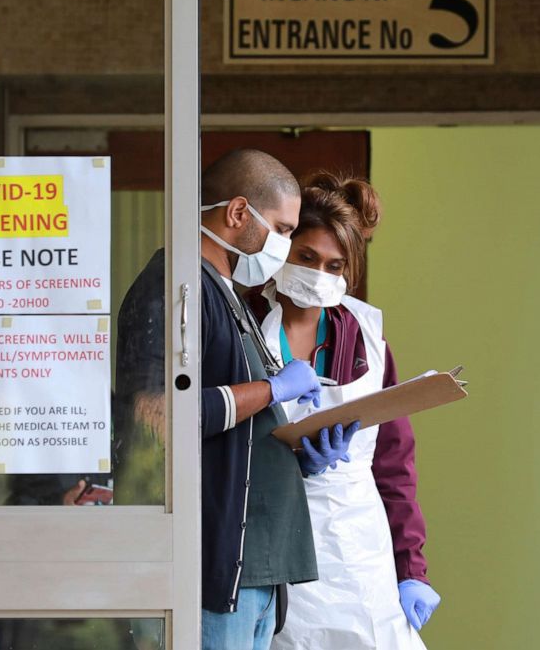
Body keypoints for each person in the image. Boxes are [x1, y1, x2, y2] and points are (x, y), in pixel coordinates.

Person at [114, 149, 360, 650]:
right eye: (284, 230)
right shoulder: (174, 288)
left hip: (256, 573)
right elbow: (157, 415)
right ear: (237, 213)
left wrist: (296, 456)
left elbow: (230, 432)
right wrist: (274, 389)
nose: (285, 244)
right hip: (212, 575)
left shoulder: (224, 293)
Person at [246, 172, 441, 649]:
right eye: (306, 257)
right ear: (281, 250)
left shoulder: (368, 342)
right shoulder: (241, 325)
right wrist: (290, 465)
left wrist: (411, 569)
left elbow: (394, 467)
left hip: (358, 550)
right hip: (269, 544)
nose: (318, 275)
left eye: (335, 265)